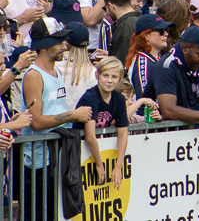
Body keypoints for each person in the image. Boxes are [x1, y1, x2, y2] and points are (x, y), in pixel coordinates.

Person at [20, 17, 91, 220]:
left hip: (55, 156)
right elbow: (37, 122)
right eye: (59, 41)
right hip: (39, 161)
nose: (64, 45)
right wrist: (73, 115)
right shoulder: (34, 75)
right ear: (44, 44)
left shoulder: (56, 70)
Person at [74, 57, 129, 188]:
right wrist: (99, 164)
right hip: (80, 148)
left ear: (120, 79)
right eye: (105, 75)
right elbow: (90, 136)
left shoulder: (119, 99)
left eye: (114, 77)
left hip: (100, 148)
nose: (109, 80)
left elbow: (123, 134)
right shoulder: (91, 97)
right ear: (97, 75)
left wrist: (118, 166)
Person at [56, 22, 98, 111]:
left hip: (56, 121)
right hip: (84, 121)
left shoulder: (53, 67)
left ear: (65, 42)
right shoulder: (93, 72)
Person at [103, 0, 141, 64]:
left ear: (111, 6)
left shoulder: (124, 28)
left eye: (105, 8)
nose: (106, 12)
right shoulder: (140, 19)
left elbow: (122, 64)